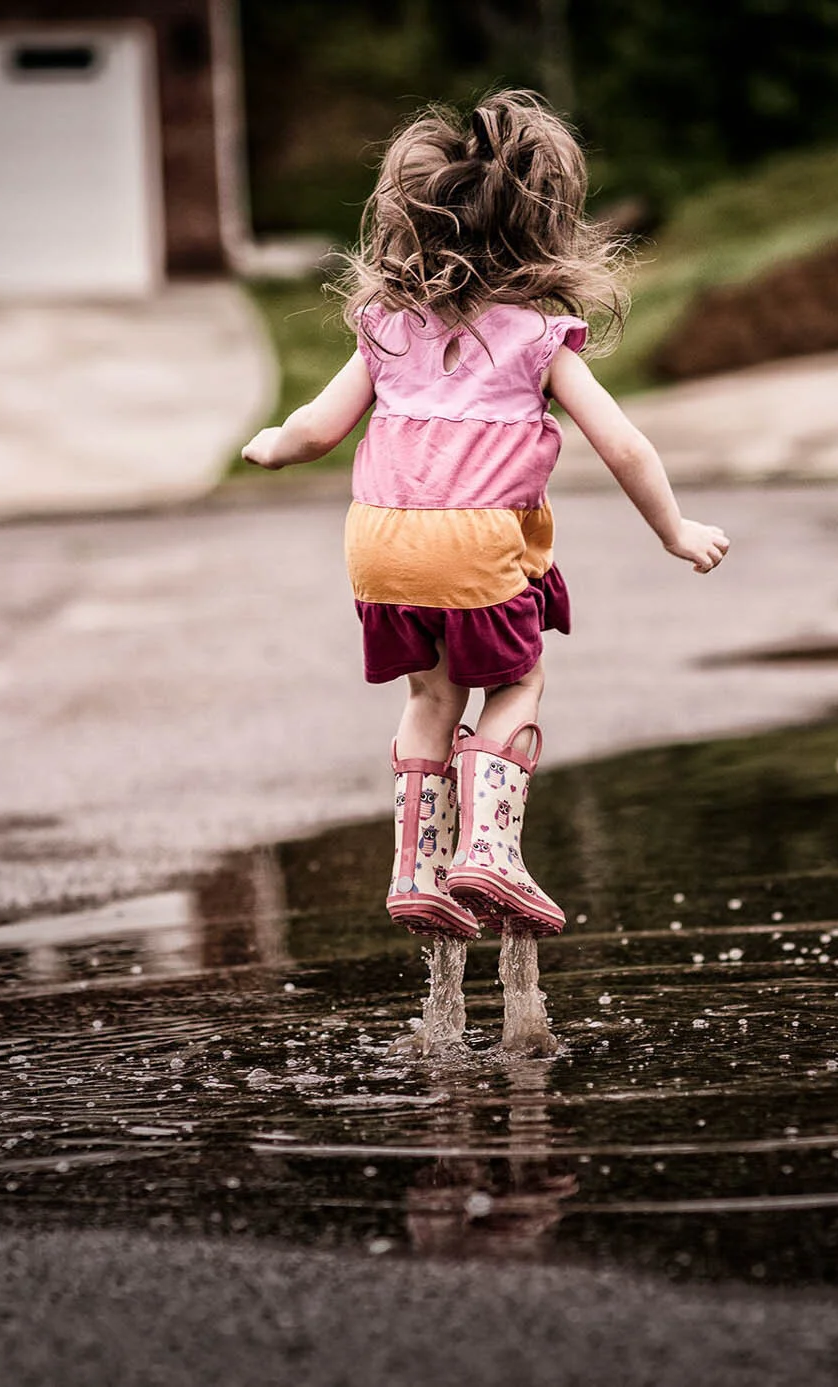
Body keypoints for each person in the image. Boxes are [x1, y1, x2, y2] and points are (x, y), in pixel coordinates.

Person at [242, 91, 728, 1045]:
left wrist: (267, 445)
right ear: (536, 232)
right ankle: (490, 850)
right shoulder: (538, 338)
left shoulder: (385, 326)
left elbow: (313, 429)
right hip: (476, 549)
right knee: (518, 677)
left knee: (431, 696)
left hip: (379, 547)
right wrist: (673, 529)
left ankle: (417, 871)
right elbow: (623, 445)